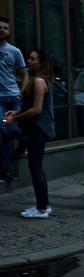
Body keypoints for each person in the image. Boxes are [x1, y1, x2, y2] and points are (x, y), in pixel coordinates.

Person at [4, 49, 55, 219]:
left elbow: (36, 110)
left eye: (32, 59)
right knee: (36, 168)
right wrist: (14, 112)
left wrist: (15, 118)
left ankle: (41, 209)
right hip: (35, 129)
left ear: (41, 63)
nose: (29, 60)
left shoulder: (40, 81)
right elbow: (29, 107)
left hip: (38, 129)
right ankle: (44, 205)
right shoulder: (38, 80)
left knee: (35, 168)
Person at [0, 16, 29, 181]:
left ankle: (3, 169)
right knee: (5, 128)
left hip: (13, 97)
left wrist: (20, 93)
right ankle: (25, 139)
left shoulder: (14, 51)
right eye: (0, 27)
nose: (2, 30)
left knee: (8, 134)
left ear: (8, 31)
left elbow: (24, 75)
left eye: (5, 28)